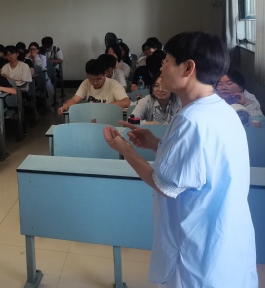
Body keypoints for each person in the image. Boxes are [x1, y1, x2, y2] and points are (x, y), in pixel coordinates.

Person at [103, 31, 257, 287]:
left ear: (188, 68)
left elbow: (164, 184)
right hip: (224, 241)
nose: (161, 67)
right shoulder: (220, 110)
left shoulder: (191, 120)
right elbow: (198, 164)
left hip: (197, 250)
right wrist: (156, 143)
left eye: (167, 60)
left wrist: (125, 150)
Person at [58, 58, 130, 115]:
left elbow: (126, 102)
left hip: (108, 117)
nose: (94, 82)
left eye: (98, 79)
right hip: (93, 117)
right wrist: (66, 106)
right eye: (91, 79)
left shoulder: (114, 85)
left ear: (105, 73)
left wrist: (103, 107)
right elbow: (74, 99)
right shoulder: (86, 83)